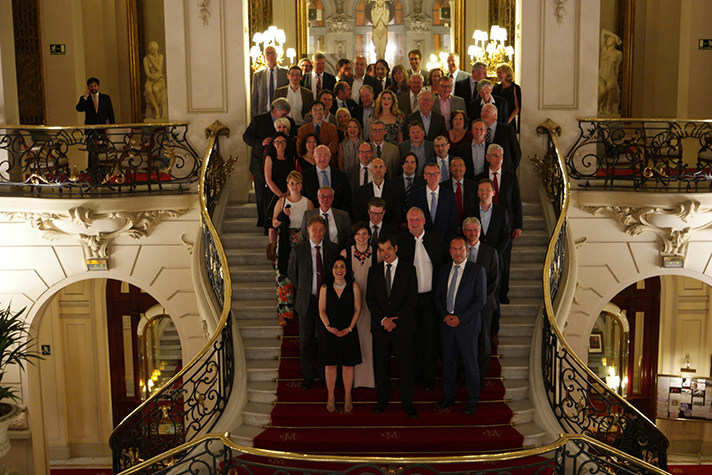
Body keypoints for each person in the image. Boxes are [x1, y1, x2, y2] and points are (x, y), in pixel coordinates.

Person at [433, 236, 487, 415]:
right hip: (447, 325)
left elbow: (480, 301)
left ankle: (472, 400)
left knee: (470, 365)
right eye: (454, 249)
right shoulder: (443, 270)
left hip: (467, 326)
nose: (457, 252)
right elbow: (438, 297)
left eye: (460, 249)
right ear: (450, 251)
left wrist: (459, 318)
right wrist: (445, 316)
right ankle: (448, 397)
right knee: (448, 364)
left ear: (467, 251)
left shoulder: (477, 271)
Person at [366, 234, 419, 418]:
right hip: (381, 327)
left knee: (406, 366)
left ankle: (407, 402)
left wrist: (395, 320)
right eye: (381, 250)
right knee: (381, 365)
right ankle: (382, 400)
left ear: (395, 248)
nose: (385, 253)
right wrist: (384, 320)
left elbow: (412, 299)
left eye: (388, 249)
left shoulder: (408, 269)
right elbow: (370, 300)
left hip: (403, 327)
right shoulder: (374, 271)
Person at [396, 207, 446, 393]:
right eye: (410, 220)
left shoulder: (436, 239)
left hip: (430, 300)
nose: (414, 223)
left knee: (431, 339)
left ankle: (430, 377)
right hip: (409, 302)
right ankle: (415, 375)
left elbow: (442, 269)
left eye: (417, 220)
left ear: (424, 221)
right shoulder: (399, 242)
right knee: (412, 340)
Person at [288, 215, 339, 389]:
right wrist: (304, 289)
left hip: (327, 303)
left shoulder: (333, 249)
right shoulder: (299, 250)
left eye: (321, 229)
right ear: (308, 230)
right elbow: (292, 274)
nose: (317, 232)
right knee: (306, 340)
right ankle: (308, 375)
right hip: (307, 301)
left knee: (326, 339)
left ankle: (325, 374)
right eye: (314, 229)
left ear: (325, 232)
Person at [474, 144, 523, 305]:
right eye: (495, 155)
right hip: (485, 223)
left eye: (501, 155)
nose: (498, 158)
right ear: (487, 158)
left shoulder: (510, 177)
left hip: (505, 225)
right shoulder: (479, 177)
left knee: (504, 261)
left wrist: (518, 225)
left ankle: (503, 293)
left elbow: (516, 201)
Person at [243, 98, 296, 229]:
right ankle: (264, 221)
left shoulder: (289, 122)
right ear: (274, 110)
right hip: (260, 162)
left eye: (287, 114)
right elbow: (246, 137)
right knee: (262, 194)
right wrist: (261, 142)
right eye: (283, 114)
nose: (286, 117)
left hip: (282, 164)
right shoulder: (258, 120)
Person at [318, 254, 362, 412]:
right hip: (329, 331)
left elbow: (358, 309)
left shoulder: (353, 286)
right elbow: (321, 310)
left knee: (348, 366)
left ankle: (347, 396)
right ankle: (331, 396)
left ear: (346, 269)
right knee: (330, 365)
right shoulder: (325, 287)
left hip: (348, 330)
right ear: (331, 269)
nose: (339, 270)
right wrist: (328, 327)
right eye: (335, 266)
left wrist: (350, 328)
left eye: (342, 266)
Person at [341, 222, 380, 389]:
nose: (361, 237)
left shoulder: (376, 253)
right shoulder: (345, 253)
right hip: (351, 302)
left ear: (369, 235)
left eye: (364, 233)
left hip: (370, 302)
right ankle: (353, 380)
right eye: (358, 234)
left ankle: (369, 380)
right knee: (353, 338)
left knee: (369, 338)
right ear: (354, 236)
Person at [462, 217, 500, 387]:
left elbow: (494, 280)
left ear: (480, 231)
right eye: (469, 230)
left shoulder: (491, 252)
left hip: (485, 306)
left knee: (483, 342)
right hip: (463, 306)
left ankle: (480, 376)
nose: (472, 233)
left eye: (475, 230)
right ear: (464, 232)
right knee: (465, 341)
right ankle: (464, 374)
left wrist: (479, 301)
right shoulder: (459, 249)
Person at [273, 171, 314, 326]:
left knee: (304, 275)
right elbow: (274, 223)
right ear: (287, 185)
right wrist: (283, 215)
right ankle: (284, 312)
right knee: (283, 276)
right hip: (284, 241)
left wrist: (303, 235)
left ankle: (305, 309)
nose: (294, 186)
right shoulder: (282, 202)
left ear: (301, 185)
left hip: (303, 240)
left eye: (297, 183)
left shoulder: (307, 202)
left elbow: (312, 224)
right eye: (291, 183)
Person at [407, 159, 459, 243]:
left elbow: (453, 223)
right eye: (429, 174)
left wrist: (446, 243)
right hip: (422, 242)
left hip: (444, 243)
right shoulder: (415, 196)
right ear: (424, 176)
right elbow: (411, 222)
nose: (432, 177)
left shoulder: (450, 196)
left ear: (440, 175)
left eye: (435, 174)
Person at [352, 158, 403, 228]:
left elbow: (396, 216)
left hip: (388, 232)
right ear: (370, 170)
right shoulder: (361, 191)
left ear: (385, 170)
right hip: (366, 232)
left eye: (381, 167)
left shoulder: (395, 191)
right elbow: (358, 215)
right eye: (375, 167)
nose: (378, 169)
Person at [264, 132, 296, 240]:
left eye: (282, 141)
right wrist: (280, 194)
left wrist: (288, 192)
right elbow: (268, 179)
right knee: (273, 224)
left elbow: (294, 177)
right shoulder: (270, 158)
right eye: (277, 142)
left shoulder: (291, 158)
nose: (280, 144)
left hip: (289, 192)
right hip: (274, 193)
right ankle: (272, 249)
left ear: (286, 143)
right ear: (273, 144)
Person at [299, 186, 352, 250]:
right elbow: (302, 238)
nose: (325, 199)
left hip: (337, 253)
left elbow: (349, 239)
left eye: (329, 196)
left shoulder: (343, 216)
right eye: (322, 196)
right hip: (314, 253)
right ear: (318, 198)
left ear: (332, 198)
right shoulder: (308, 215)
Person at [302, 146, 351, 214]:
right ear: (314, 156)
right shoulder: (305, 176)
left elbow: (347, 197)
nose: (322, 158)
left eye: (325, 155)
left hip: (336, 216)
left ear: (330, 156)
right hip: (313, 217)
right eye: (319, 155)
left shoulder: (340, 175)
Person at [480, 104, 521, 172]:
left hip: (505, 172)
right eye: (482, 111)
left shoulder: (507, 130)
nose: (483, 114)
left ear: (495, 115)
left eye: (487, 111)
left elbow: (516, 153)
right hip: (485, 173)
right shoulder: (479, 131)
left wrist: (511, 170)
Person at [250, 45, 289, 116]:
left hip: (281, 113)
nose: (270, 55)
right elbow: (255, 98)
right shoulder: (258, 75)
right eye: (267, 53)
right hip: (263, 113)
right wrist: (254, 116)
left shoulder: (285, 73)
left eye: (272, 53)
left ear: (277, 55)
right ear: (264, 56)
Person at [440, 156, 477, 225]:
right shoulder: (443, 187)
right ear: (450, 169)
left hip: (469, 225)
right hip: (448, 224)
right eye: (455, 166)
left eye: (460, 166)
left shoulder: (474, 186)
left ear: (465, 168)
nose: (457, 169)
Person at [598, 29, 623, 115]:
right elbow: (603, 32)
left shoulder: (618, 54)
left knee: (611, 87)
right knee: (603, 91)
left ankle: (608, 106)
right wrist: (616, 37)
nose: (607, 40)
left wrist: (615, 80)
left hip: (611, 75)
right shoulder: (604, 50)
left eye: (609, 39)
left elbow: (617, 68)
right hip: (601, 75)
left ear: (613, 42)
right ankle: (598, 105)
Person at [493, 63, 521, 132]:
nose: (498, 75)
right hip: (497, 120)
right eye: (497, 73)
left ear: (507, 74)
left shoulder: (515, 88)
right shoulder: (496, 88)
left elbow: (517, 108)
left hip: (509, 120)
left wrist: (507, 121)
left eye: (500, 72)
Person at [143, 41, 166, 119]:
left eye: (156, 50)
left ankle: (156, 110)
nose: (155, 52)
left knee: (155, 89)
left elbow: (158, 68)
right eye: (153, 50)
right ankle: (156, 109)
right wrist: (154, 78)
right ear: (150, 49)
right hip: (151, 78)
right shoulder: (145, 59)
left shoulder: (160, 56)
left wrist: (151, 59)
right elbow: (147, 73)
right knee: (148, 89)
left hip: (160, 78)